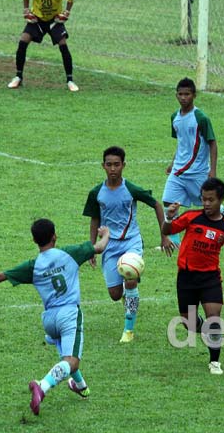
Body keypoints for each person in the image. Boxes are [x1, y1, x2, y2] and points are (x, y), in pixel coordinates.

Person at [0, 219, 110, 416]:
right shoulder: (70, 253)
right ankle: (42, 387)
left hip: (49, 320)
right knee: (72, 361)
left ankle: (80, 385)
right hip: (69, 314)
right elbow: (99, 247)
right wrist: (106, 234)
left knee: (66, 353)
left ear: (34, 240)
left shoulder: (33, 266)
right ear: (55, 236)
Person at [83, 146, 175, 343]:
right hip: (109, 245)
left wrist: (164, 235)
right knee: (115, 294)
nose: (113, 169)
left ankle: (128, 329)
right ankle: (128, 297)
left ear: (123, 165)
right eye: (109, 165)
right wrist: (92, 247)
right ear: (103, 166)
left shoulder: (131, 189)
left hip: (131, 242)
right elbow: (94, 220)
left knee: (131, 279)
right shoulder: (96, 193)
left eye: (117, 164)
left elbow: (157, 205)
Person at [161, 177, 224, 375]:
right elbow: (168, 230)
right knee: (187, 322)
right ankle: (203, 328)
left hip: (210, 278)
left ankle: (214, 362)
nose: (207, 204)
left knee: (214, 317)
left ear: (221, 200)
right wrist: (169, 217)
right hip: (186, 277)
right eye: (204, 199)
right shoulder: (192, 217)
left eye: (211, 200)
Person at [162, 77, 224, 251]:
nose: (183, 98)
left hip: (198, 171)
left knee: (211, 204)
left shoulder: (200, 117)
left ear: (194, 95)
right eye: (180, 94)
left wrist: (212, 170)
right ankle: (174, 240)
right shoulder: (174, 118)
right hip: (178, 171)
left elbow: (212, 143)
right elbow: (183, 143)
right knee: (168, 200)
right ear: (176, 95)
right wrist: (172, 163)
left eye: (187, 94)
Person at [7, 0, 79, 92]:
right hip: (37, 21)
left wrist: (67, 12)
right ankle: (18, 77)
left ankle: (70, 80)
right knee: (23, 42)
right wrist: (26, 10)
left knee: (63, 45)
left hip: (54, 21)